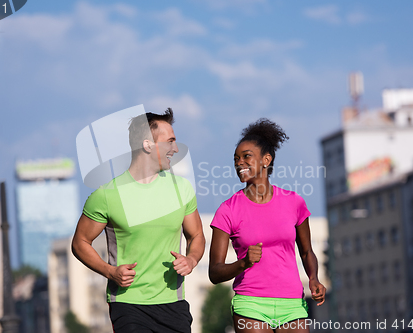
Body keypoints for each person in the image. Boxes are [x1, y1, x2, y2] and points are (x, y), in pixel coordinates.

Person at [72, 108, 205, 333]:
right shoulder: (107, 195)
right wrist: (109, 271)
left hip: (173, 303)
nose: (175, 148)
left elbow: (197, 235)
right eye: (170, 141)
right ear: (147, 145)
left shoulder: (181, 189)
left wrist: (191, 259)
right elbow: (80, 243)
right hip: (128, 304)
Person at [208, 118, 326, 333]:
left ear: (266, 159)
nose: (239, 163)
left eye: (246, 157)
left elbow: (307, 251)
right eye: (236, 159)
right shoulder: (228, 210)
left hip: (292, 302)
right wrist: (242, 263)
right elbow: (214, 272)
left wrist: (313, 278)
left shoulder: (294, 202)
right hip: (250, 303)